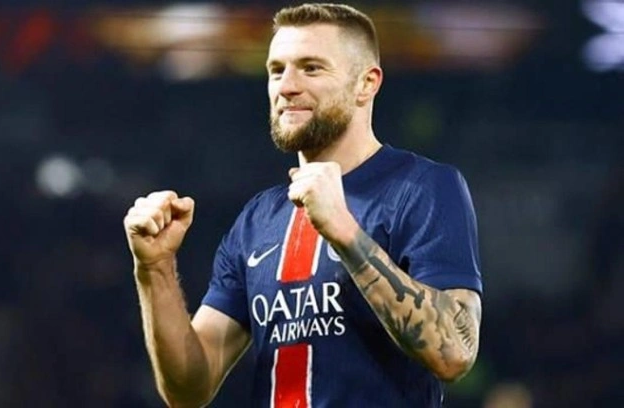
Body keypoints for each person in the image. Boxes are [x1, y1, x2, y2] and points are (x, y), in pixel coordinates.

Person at [123, 3, 483, 407]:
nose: (287, 86)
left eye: (311, 68)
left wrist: (344, 231)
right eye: (277, 70)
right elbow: (188, 390)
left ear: (366, 84)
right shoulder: (257, 219)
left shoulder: (422, 187)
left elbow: (455, 352)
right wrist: (154, 268)